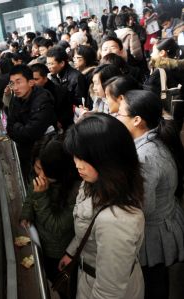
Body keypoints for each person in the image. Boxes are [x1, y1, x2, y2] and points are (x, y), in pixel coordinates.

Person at [60, 113, 145, 299]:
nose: (77, 165)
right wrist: (72, 251)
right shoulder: (96, 182)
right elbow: (88, 225)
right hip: (89, 275)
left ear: (108, 159)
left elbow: (109, 292)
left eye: (84, 158)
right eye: (75, 156)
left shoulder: (117, 220)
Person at [115, 90, 184, 299]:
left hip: (154, 234)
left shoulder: (145, 157)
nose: (117, 117)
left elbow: (144, 207)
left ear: (137, 120)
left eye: (120, 114)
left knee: (153, 284)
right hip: (165, 222)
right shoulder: (154, 140)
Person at [20, 139, 80, 282]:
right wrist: (26, 213)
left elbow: (57, 227)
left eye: (45, 170)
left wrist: (41, 196)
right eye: (38, 168)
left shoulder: (76, 191)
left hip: (59, 251)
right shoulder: (42, 177)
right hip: (41, 242)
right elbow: (30, 194)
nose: (41, 175)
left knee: (61, 283)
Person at [6, 65, 56, 183]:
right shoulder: (16, 99)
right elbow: (9, 128)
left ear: (31, 82)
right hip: (26, 152)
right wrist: (19, 129)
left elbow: (31, 133)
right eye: (12, 83)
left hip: (42, 154)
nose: (15, 87)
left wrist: (17, 127)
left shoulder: (42, 99)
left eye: (19, 82)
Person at [143, 38, 184, 131]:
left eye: (153, 52)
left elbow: (148, 96)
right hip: (178, 114)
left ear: (162, 53)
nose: (151, 54)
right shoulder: (180, 67)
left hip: (163, 119)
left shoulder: (159, 72)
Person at [30, 63, 74, 130]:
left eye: (36, 79)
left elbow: (67, 114)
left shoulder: (61, 93)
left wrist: (58, 123)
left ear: (45, 79)